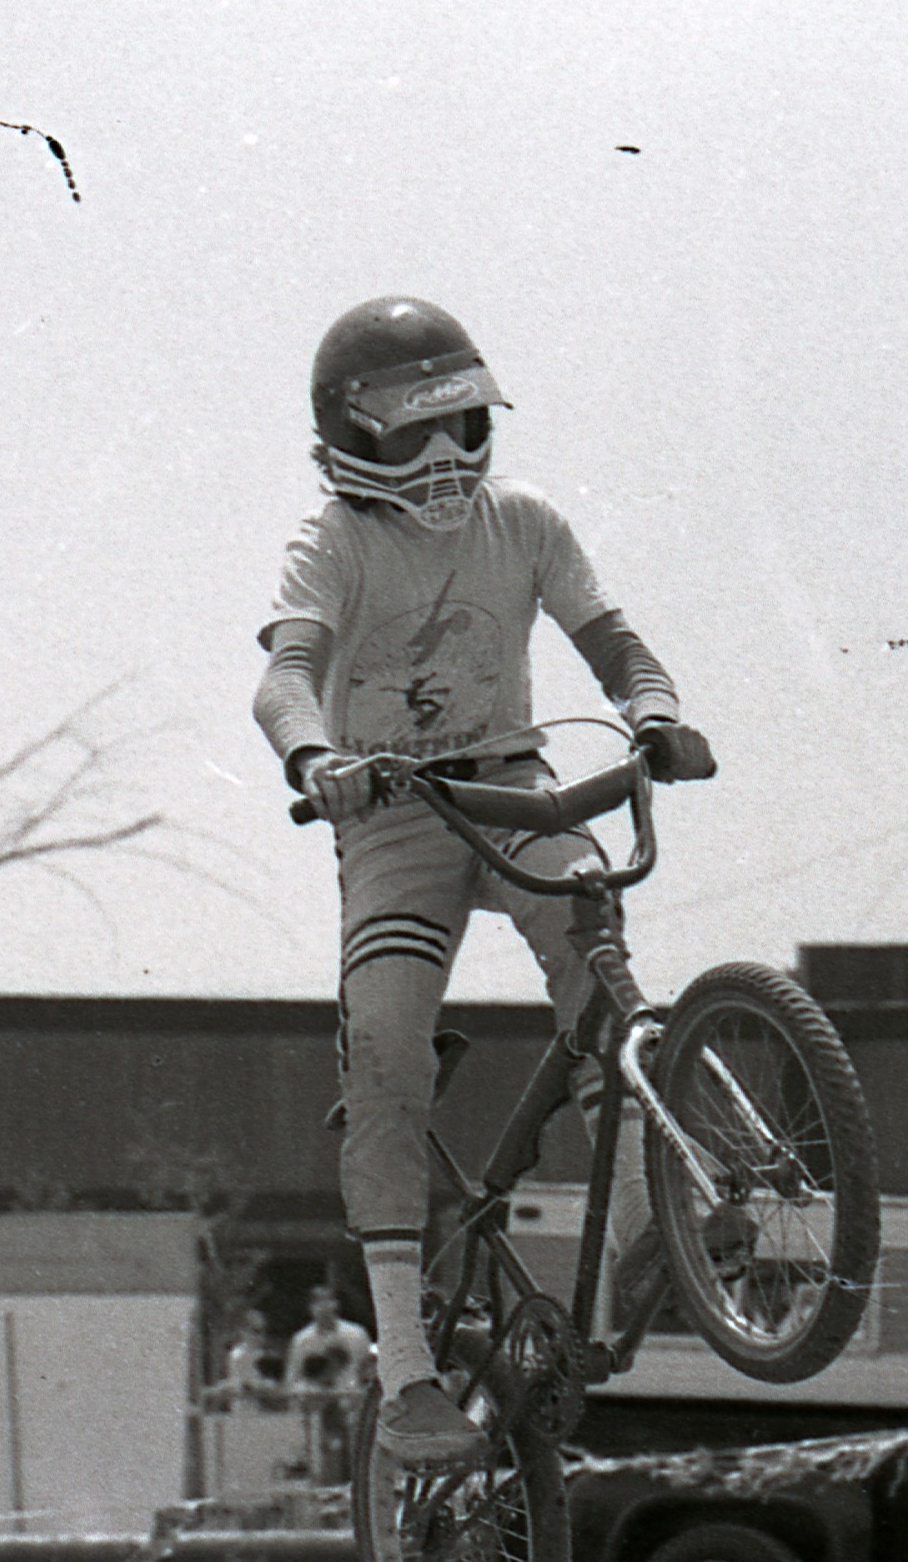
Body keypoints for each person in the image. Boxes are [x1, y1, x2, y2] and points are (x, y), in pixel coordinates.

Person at [251, 297, 714, 1470]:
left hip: (512, 783)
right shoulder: (335, 544)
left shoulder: (526, 523)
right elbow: (285, 674)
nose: (445, 457)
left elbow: (610, 639)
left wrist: (653, 714)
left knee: (589, 941)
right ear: (349, 436)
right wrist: (317, 759)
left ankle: (643, 1220)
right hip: (394, 813)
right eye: (413, 434)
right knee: (389, 1048)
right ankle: (405, 1364)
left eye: (461, 423)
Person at [281, 1281, 376, 1484]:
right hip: (318, 1412)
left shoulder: (356, 1335)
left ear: (336, 1304)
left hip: (351, 1407)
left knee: (358, 1460)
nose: (324, 1307)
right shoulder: (302, 1340)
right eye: (318, 1303)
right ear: (311, 1308)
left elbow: (368, 1371)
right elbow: (292, 1379)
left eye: (328, 1301)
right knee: (322, 1462)